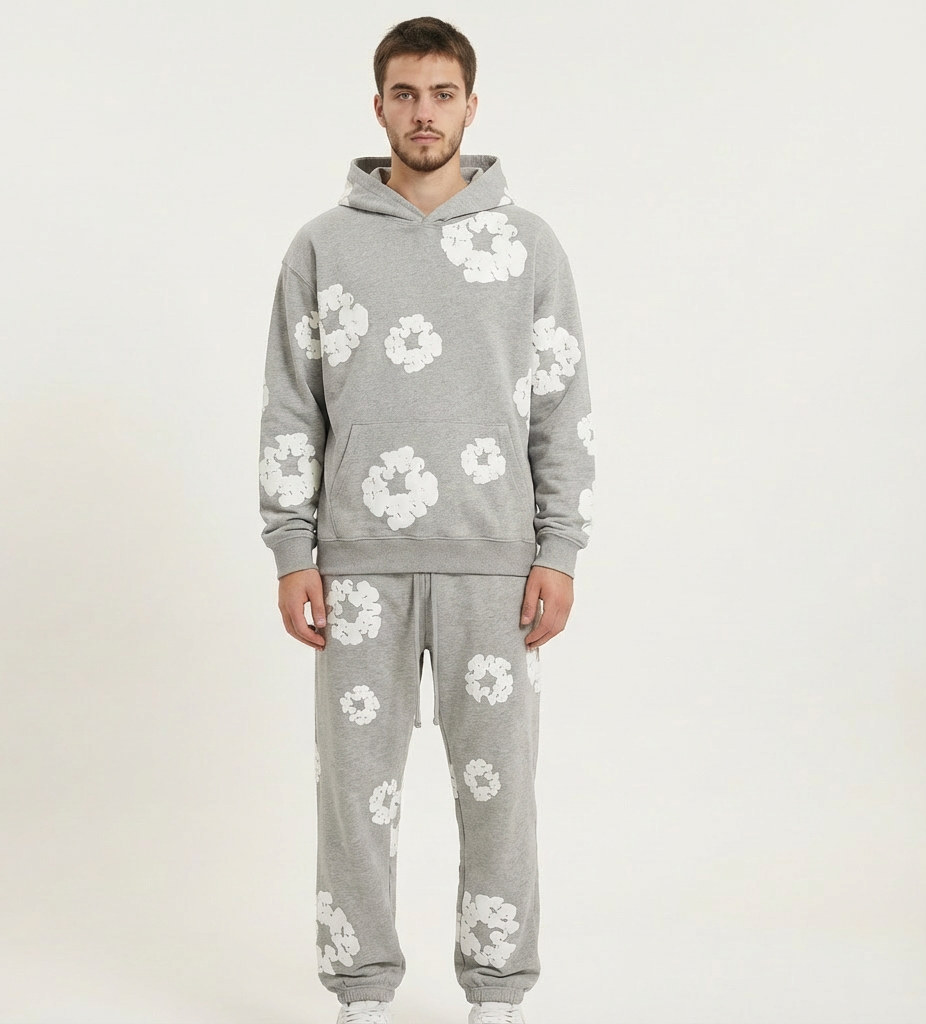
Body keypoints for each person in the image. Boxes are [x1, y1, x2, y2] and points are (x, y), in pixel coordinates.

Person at [258, 15, 595, 1024]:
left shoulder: (529, 245)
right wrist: (291, 548)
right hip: (356, 571)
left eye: (441, 94)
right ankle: (362, 994)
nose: (423, 112)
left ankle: (497, 995)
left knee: (499, 796)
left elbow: (561, 408)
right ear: (378, 107)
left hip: (496, 570)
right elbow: (291, 407)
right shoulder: (322, 246)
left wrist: (560, 549)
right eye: (404, 94)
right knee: (355, 800)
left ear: (470, 106)